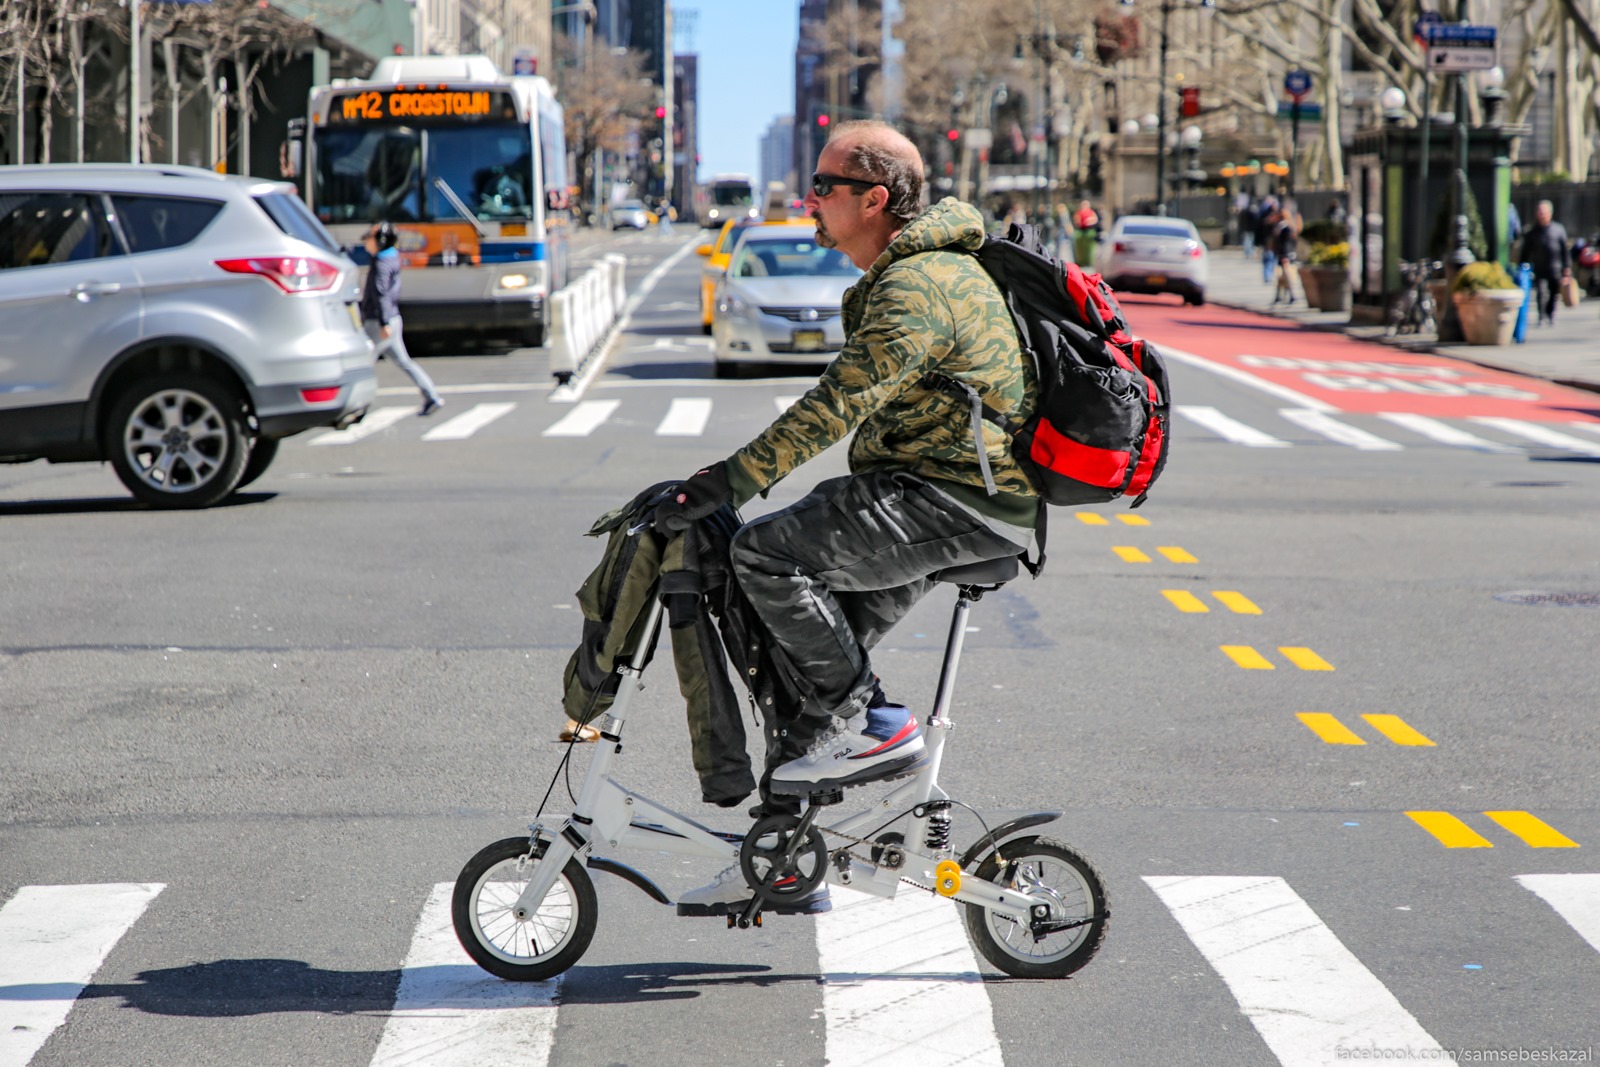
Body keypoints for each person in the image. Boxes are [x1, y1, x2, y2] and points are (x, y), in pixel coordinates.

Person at [656, 119, 1040, 915]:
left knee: (764, 554)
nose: (811, 203)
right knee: (805, 682)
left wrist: (727, 482)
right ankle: (781, 862)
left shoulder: (919, 285)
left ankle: (875, 723)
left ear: (873, 200)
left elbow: (836, 406)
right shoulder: (917, 272)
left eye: (823, 189)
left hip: (956, 497)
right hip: (947, 492)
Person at [360, 222, 443, 417]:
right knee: (404, 361)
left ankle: (358, 405)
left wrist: (383, 322)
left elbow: (381, 293)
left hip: (379, 322)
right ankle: (431, 396)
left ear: (380, 241)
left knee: (362, 364)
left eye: (369, 238)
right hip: (393, 319)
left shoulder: (381, 262)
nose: (365, 241)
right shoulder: (391, 257)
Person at [1518, 199, 1571, 326]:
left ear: (1550, 213)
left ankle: (1550, 314)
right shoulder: (1532, 232)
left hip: (1555, 267)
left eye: (1544, 212)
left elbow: (1565, 250)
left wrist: (1567, 269)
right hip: (1539, 268)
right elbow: (1525, 252)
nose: (1542, 214)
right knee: (1541, 291)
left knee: (1553, 293)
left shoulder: (1558, 230)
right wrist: (1522, 266)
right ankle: (1541, 315)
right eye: (1539, 212)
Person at [1271, 198, 1302, 305]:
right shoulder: (1284, 226)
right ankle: (1280, 296)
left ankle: (1291, 295)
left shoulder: (1286, 227)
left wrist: (1285, 255)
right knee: (1280, 277)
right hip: (1283, 254)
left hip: (1286, 254)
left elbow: (1286, 243)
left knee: (1286, 276)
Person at [1072, 199, 1100, 267]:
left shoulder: (1091, 212)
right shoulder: (1079, 212)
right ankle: (1080, 262)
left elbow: (1095, 219)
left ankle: (1088, 262)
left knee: (1089, 248)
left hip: (1089, 231)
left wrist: (1089, 221)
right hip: (1081, 231)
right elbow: (1076, 220)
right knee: (1080, 249)